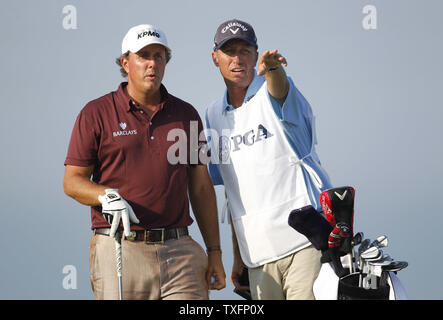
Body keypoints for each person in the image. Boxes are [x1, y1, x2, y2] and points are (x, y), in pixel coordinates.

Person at [63, 24, 225, 300]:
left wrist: (214, 252)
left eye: (159, 56)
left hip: (180, 252)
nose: (152, 64)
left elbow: (200, 187)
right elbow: (72, 181)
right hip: (120, 247)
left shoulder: (186, 114)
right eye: (143, 56)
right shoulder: (96, 113)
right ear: (126, 63)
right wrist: (104, 195)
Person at [205, 19, 333, 300]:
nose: (238, 59)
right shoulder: (213, 115)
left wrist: (274, 69)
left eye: (245, 51)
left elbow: (279, 89)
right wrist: (238, 257)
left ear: (255, 55)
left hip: (305, 241)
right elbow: (232, 192)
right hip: (258, 255)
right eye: (229, 51)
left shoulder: (273, 90)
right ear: (215, 58)